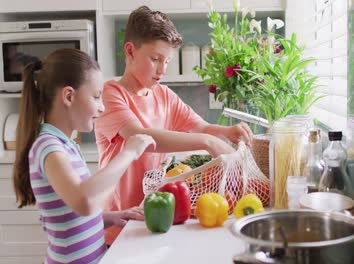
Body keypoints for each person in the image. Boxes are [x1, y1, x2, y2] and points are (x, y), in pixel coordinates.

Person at [94, 5, 253, 245]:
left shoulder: (164, 95)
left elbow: (199, 126)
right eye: (155, 59)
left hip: (158, 215)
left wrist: (224, 132)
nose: (162, 70)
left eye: (167, 60)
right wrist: (208, 142)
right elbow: (141, 138)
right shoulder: (111, 94)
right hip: (120, 224)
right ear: (130, 51)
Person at [13, 48, 156, 263]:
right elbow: (84, 202)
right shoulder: (49, 146)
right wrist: (129, 151)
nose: (102, 107)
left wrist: (109, 218)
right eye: (97, 97)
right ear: (69, 96)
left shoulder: (67, 145)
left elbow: (72, 217)